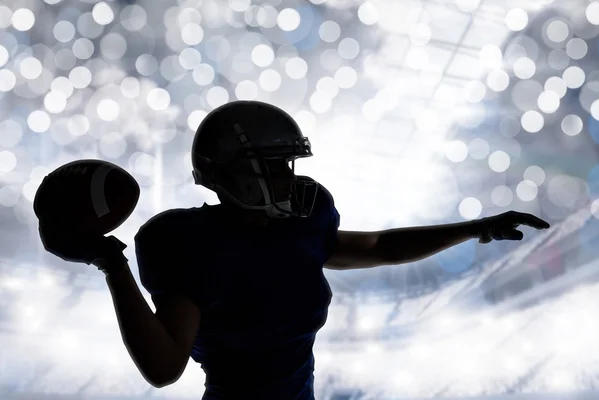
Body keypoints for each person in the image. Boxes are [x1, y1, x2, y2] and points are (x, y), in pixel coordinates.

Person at [38, 100, 551, 399]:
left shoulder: (304, 222)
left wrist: (474, 227)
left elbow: (377, 246)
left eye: (289, 163)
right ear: (229, 172)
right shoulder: (191, 243)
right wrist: (112, 264)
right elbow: (164, 366)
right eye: (274, 164)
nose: (289, 177)